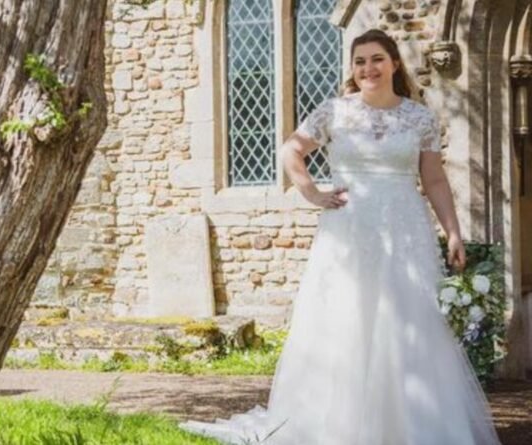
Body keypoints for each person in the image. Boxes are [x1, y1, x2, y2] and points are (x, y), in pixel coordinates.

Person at [180, 29, 501, 445]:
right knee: (347, 316)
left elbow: (435, 180)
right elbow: (290, 150)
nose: (368, 68)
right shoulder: (334, 112)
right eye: (359, 61)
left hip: (406, 228)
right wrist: (312, 192)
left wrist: (453, 232)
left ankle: (414, 425)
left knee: (410, 319)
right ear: (352, 69)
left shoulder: (420, 117)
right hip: (349, 228)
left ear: (394, 63)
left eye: (377, 59)